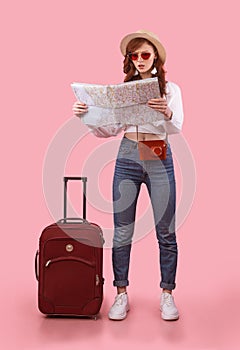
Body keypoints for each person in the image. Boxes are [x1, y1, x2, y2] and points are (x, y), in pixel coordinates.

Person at [72, 30, 184, 321]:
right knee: (122, 232)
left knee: (166, 231)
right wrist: (85, 115)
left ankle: (167, 294)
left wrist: (168, 113)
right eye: (134, 55)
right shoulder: (125, 90)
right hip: (128, 155)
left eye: (145, 54)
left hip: (158, 153)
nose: (140, 60)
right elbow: (108, 130)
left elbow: (178, 126)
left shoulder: (170, 89)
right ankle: (121, 294)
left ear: (155, 56)